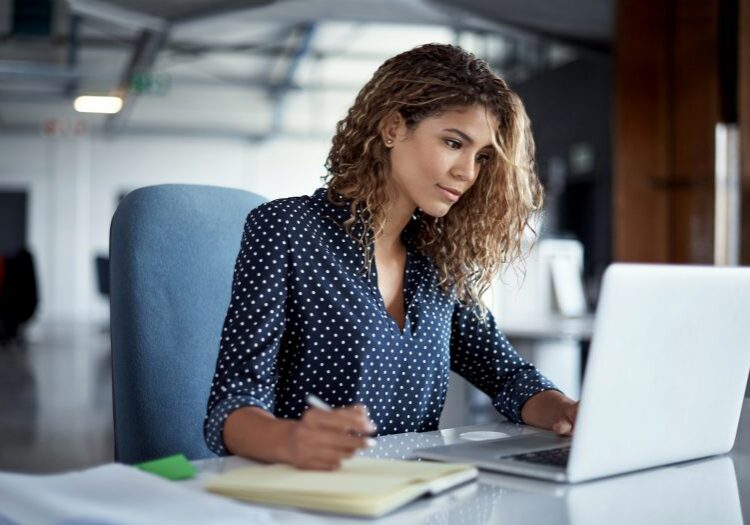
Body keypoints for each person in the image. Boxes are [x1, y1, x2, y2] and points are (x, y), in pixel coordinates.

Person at [204, 43, 579, 471]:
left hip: (412, 498)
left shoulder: (438, 261)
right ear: (392, 128)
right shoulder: (287, 228)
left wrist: (567, 411)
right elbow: (231, 405)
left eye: (482, 157)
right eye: (453, 142)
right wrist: (289, 440)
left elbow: (509, 377)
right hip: (306, 497)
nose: (468, 172)